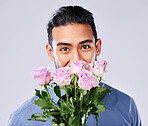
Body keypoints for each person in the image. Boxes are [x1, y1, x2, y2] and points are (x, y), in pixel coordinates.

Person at [7, 5, 142, 126]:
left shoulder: (126, 107)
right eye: (65, 49)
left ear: (98, 47)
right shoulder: (22, 120)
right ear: (50, 52)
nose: (77, 60)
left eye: (85, 47)